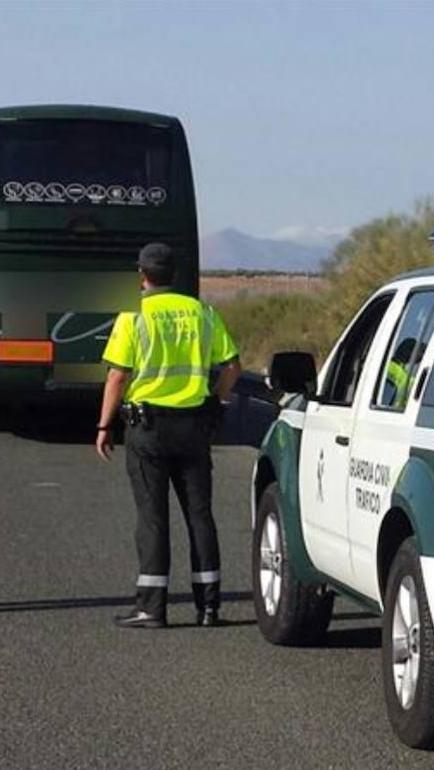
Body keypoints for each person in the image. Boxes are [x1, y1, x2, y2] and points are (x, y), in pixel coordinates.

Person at [96, 243, 241, 629]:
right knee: (199, 515)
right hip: (194, 427)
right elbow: (232, 366)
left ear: (141, 274)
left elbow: (118, 375)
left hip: (149, 429)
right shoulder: (203, 313)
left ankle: (151, 607)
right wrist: (215, 401)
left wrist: (104, 425)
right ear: (174, 274)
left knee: (153, 517)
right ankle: (209, 607)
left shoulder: (134, 316)